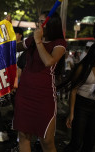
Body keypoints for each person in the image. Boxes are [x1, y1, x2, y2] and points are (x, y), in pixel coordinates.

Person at [12, 11, 66, 152]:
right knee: (23, 137)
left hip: (44, 97)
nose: (39, 25)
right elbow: (13, 47)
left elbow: (49, 61)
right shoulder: (32, 40)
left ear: (52, 25)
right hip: (24, 95)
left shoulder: (59, 43)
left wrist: (38, 41)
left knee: (46, 141)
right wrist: (5, 29)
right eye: (38, 21)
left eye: (42, 21)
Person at [59, 42, 95, 152]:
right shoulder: (83, 67)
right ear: (94, 53)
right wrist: (71, 113)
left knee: (90, 143)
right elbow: (73, 91)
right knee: (76, 143)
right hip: (82, 106)